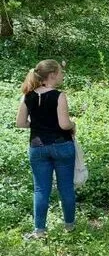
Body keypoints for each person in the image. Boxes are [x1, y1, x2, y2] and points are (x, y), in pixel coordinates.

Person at [15, 60, 77, 238]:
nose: (62, 76)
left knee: (41, 189)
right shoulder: (59, 95)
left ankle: (39, 230)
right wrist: (74, 124)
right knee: (66, 188)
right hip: (62, 145)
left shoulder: (27, 96)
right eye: (60, 73)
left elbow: (20, 123)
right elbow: (64, 124)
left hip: (37, 147)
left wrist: (37, 125)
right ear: (52, 75)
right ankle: (69, 226)